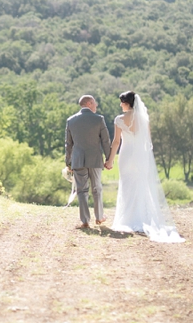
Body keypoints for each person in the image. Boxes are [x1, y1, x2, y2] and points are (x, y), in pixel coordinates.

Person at [105, 91, 185, 242]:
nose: (120, 105)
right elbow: (147, 141)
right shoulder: (143, 118)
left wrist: (110, 160)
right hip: (140, 155)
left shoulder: (119, 119)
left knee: (127, 185)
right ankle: (142, 216)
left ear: (126, 103)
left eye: (121, 102)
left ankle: (127, 218)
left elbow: (116, 142)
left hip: (126, 154)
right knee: (141, 184)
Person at [65, 95, 112, 229]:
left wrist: (68, 162)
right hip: (95, 159)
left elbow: (68, 144)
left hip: (78, 160)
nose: (96, 106)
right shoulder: (99, 119)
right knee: (97, 188)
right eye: (95, 103)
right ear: (89, 103)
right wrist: (109, 159)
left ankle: (85, 220)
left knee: (81, 190)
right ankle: (99, 217)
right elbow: (105, 141)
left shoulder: (71, 120)